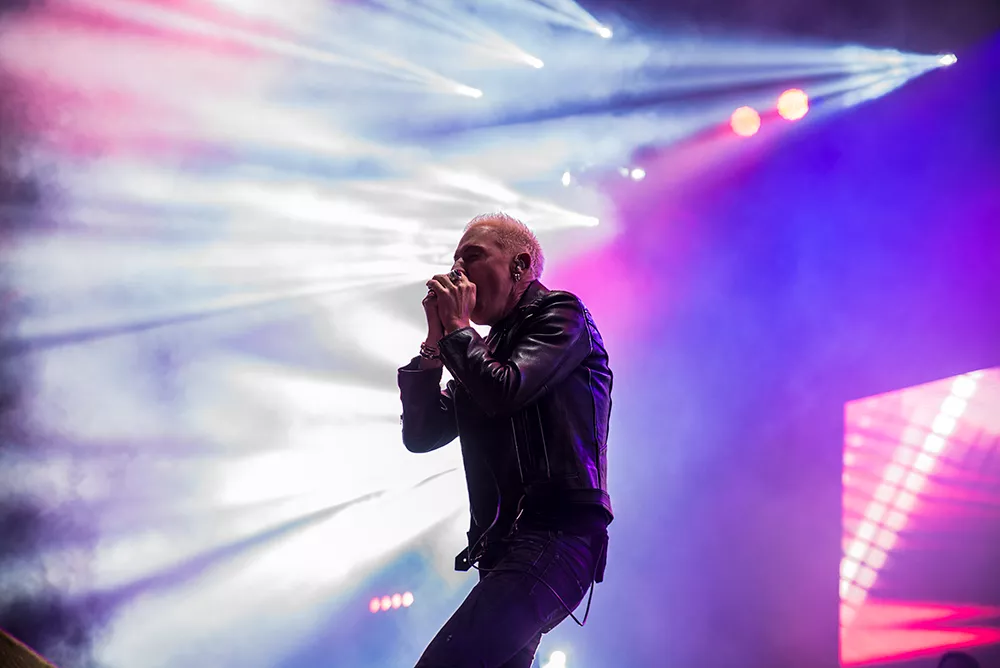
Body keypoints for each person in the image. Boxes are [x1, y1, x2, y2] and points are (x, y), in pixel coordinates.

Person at [397, 212, 613, 667]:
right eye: (454, 260)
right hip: (505, 549)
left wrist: (459, 331)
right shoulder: (486, 349)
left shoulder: (561, 315)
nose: (457, 270)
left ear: (519, 265)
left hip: (555, 536)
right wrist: (435, 342)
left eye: (472, 256)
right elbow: (422, 434)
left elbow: (505, 390)